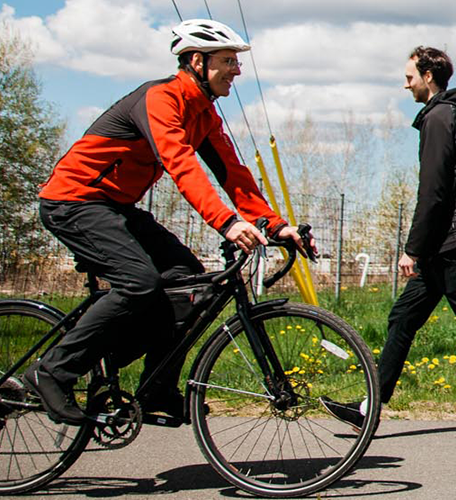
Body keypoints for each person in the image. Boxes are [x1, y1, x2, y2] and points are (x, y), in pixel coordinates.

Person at [24, 19, 313, 425]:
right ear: (197, 61)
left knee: (191, 284)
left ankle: (156, 387)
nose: (237, 70)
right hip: (74, 200)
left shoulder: (205, 115)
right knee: (139, 282)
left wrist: (273, 225)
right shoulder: (161, 100)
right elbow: (180, 164)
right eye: (228, 60)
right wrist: (227, 223)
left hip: (115, 206)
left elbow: (235, 175)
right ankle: (52, 371)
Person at [320, 46, 456, 445]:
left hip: (443, 245)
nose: (405, 84)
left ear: (428, 76)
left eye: (410, 76)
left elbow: (435, 191)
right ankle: (369, 410)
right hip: (452, 243)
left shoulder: (440, 118)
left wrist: (413, 248)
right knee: (403, 318)